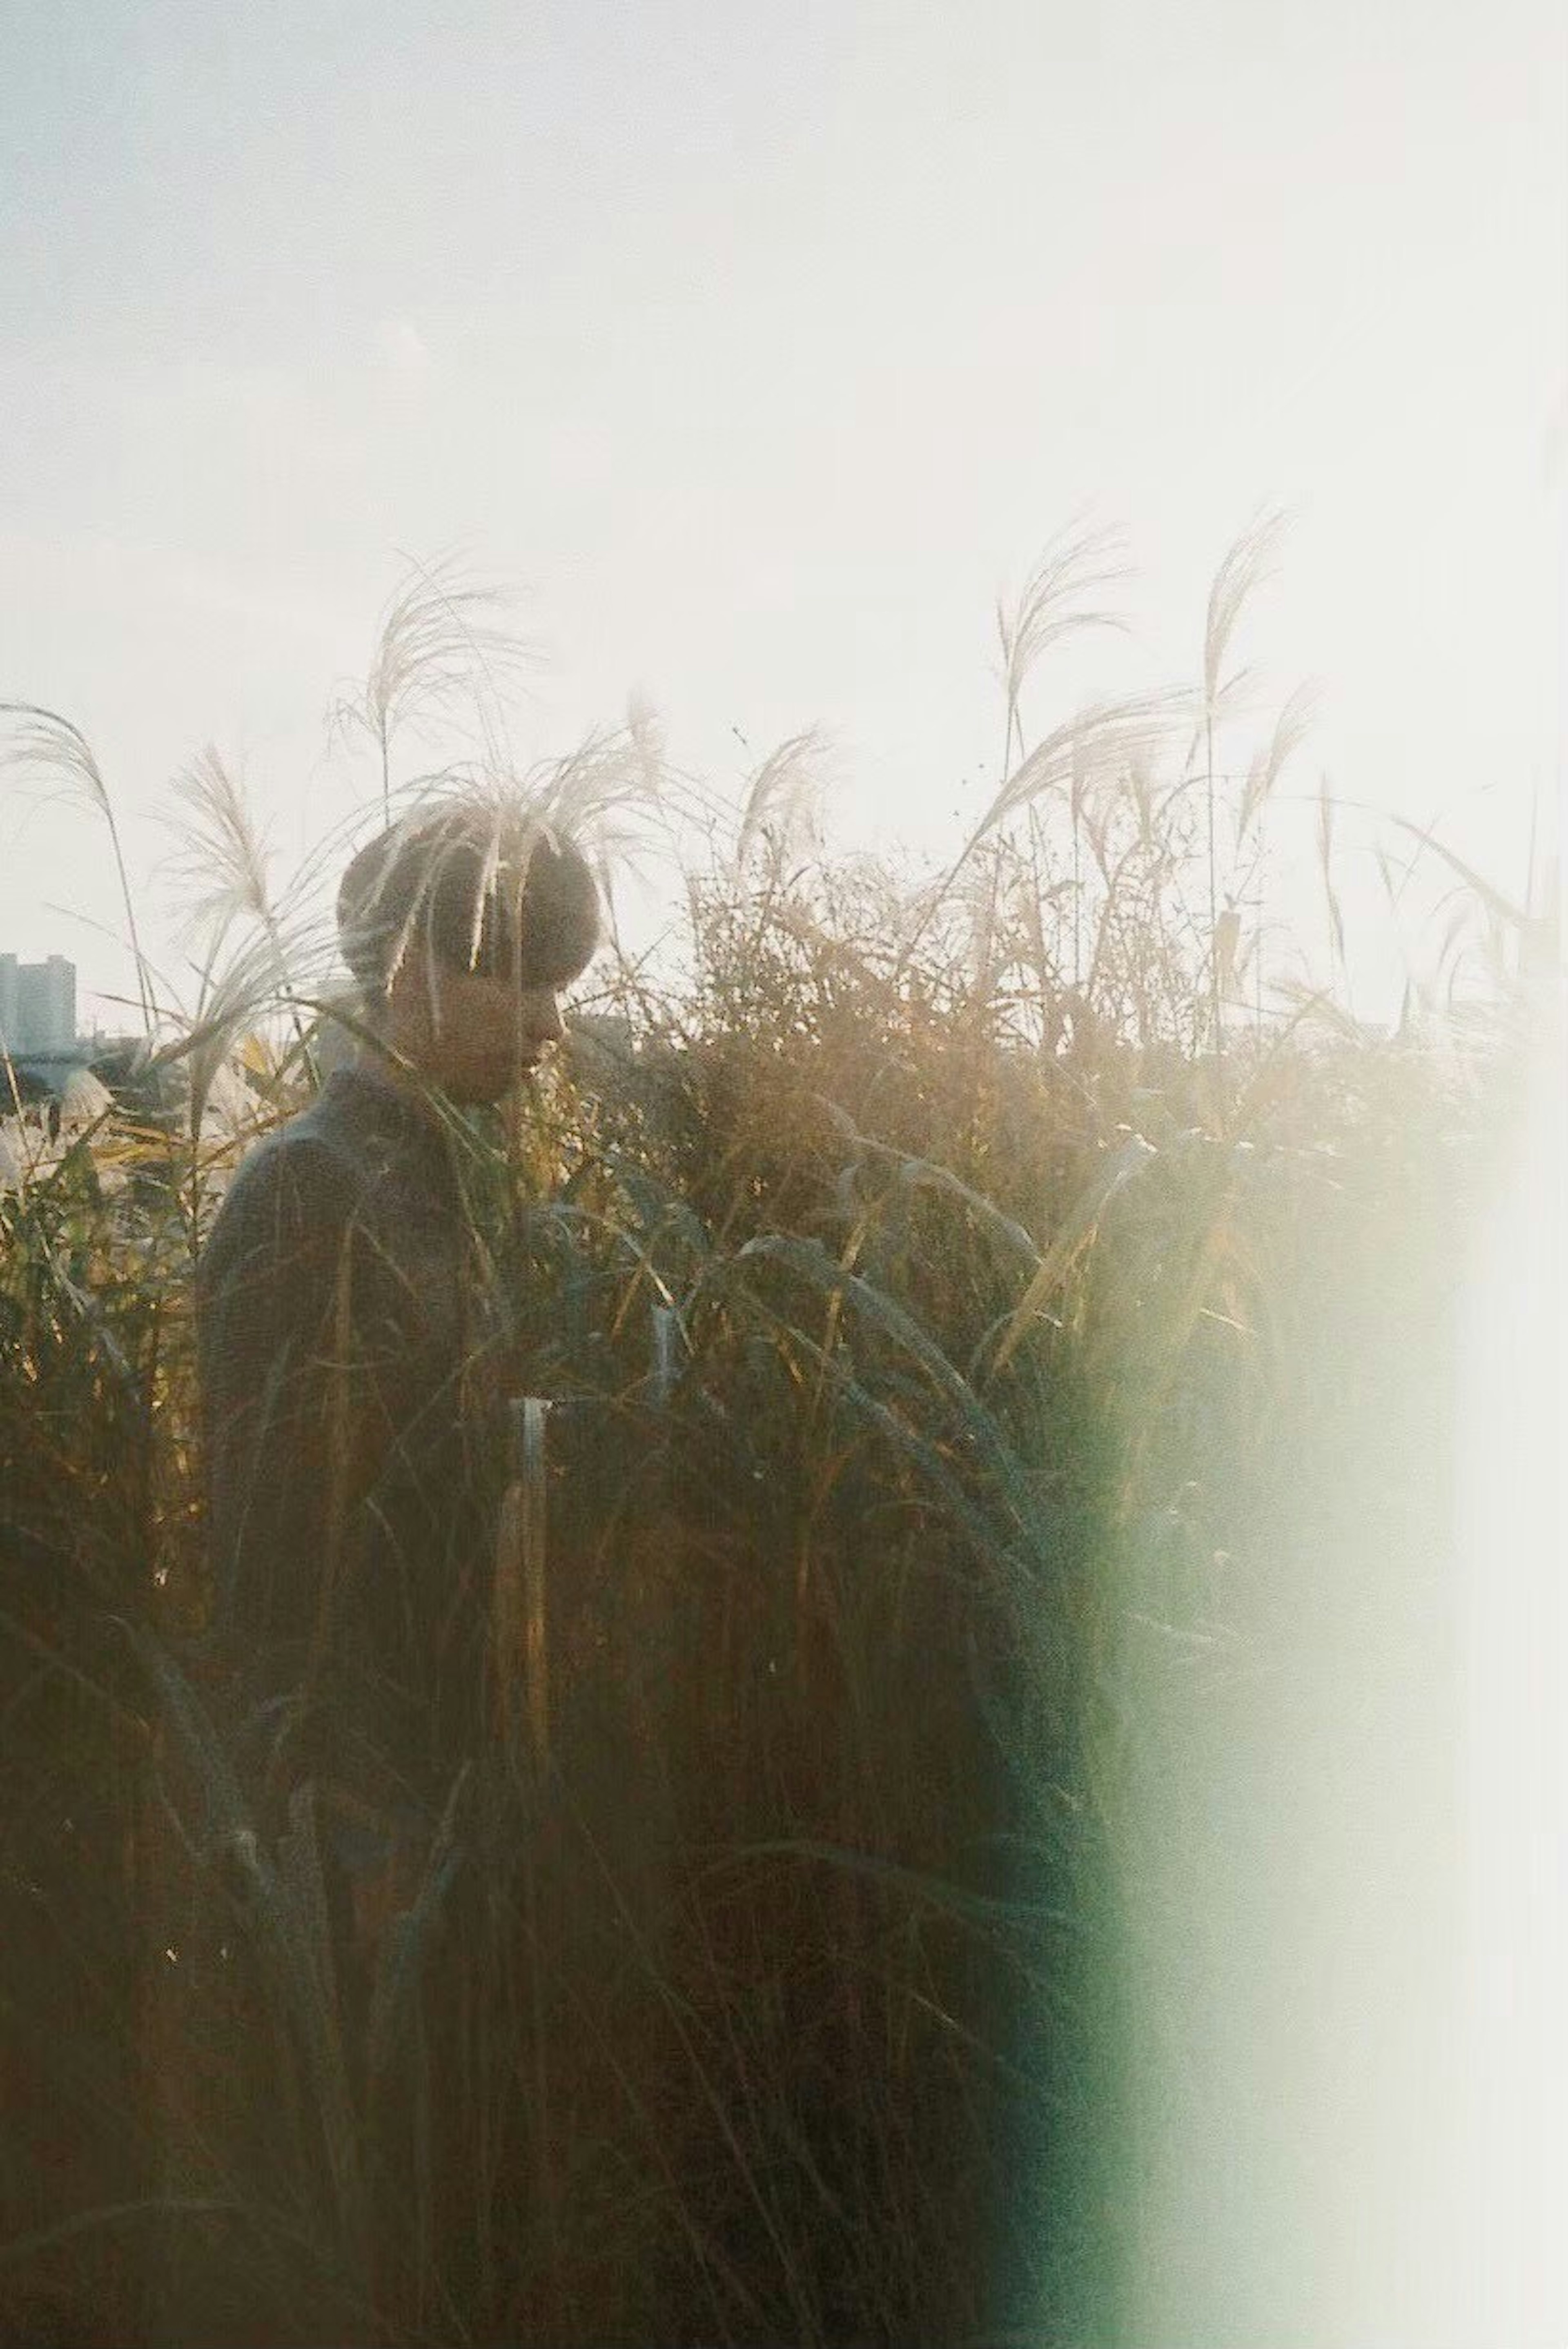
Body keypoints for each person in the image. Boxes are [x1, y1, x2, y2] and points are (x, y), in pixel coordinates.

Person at [196, 799, 601, 1892]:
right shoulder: (310, 1190)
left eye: (558, 985)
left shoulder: (440, 1183)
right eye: (520, 977)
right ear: (414, 962)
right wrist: (360, 1849)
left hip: (458, 1822)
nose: (550, 1025)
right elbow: (278, 1591)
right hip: (373, 1851)